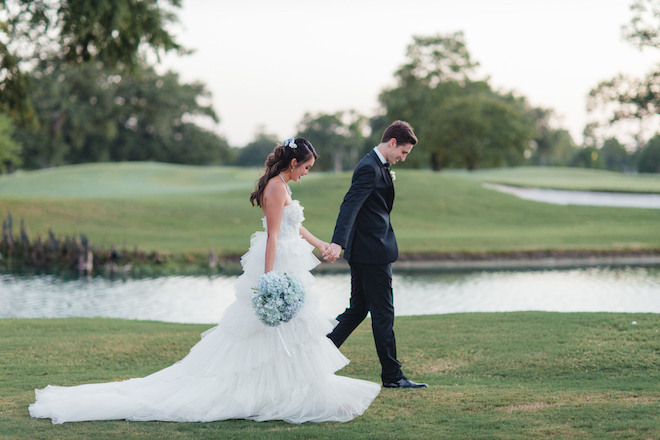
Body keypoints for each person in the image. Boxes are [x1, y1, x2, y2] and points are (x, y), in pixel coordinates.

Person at [29, 137, 380, 424]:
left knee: (296, 335)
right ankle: (304, 396)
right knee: (283, 333)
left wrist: (319, 244)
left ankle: (296, 393)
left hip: (292, 262)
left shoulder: (282, 186)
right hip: (279, 267)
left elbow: (293, 225)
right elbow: (273, 236)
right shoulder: (275, 188)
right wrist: (269, 280)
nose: (306, 173)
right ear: (293, 164)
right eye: (306, 167)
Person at [323, 121, 427, 389]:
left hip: (366, 250)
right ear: (392, 142)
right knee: (383, 314)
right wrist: (337, 243)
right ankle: (392, 377)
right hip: (372, 253)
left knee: (358, 309)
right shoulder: (369, 168)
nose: (402, 158)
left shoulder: (376, 165)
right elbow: (350, 205)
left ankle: (317, 353)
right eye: (403, 152)